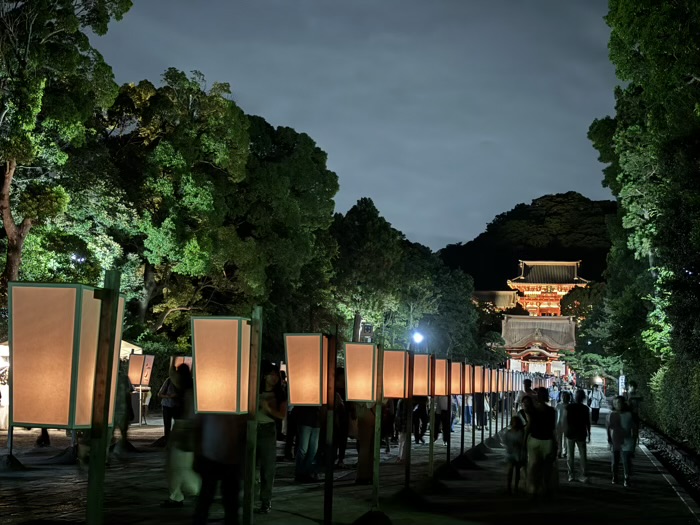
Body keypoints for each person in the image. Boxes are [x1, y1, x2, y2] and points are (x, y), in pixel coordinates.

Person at [192, 413, 247, 525]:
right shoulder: (208, 406)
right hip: (214, 455)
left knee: (227, 497)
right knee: (210, 494)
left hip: (226, 455)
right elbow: (197, 427)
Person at [162, 363, 200, 508]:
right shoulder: (191, 390)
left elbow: (172, 375)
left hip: (183, 429)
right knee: (182, 465)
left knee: (178, 465)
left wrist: (172, 362)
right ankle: (179, 494)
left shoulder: (187, 392)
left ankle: (189, 491)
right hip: (187, 429)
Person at [256, 361, 287, 513]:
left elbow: (281, 415)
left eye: (276, 375)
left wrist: (268, 408)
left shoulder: (280, 394)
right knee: (249, 467)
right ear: (264, 376)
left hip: (267, 430)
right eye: (271, 374)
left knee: (267, 468)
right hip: (251, 429)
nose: (274, 377)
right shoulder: (254, 390)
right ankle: (250, 495)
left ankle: (265, 501)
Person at [526, 388, 557, 496]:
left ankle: (533, 487)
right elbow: (553, 428)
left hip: (534, 439)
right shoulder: (552, 411)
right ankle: (545, 487)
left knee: (534, 466)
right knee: (547, 467)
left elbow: (529, 427)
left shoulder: (533, 410)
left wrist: (524, 440)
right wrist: (555, 443)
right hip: (547, 440)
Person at [607, 396, 637, 487]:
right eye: (615, 403)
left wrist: (634, 443)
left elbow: (634, 429)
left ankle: (626, 478)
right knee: (615, 462)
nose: (617, 405)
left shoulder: (629, 415)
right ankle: (615, 476)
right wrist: (609, 440)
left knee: (626, 461)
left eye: (619, 403)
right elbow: (608, 428)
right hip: (615, 441)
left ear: (623, 403)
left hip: (627, 441)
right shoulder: (611, 414)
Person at [565, 389, 591, 483]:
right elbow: (587, 422)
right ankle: (583, 475)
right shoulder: (585, 408)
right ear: (583, 398)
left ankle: (571, 475)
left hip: (570, 432)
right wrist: (589, 433)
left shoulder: (569, 407)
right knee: (583, 455)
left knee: (570, 456)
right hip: (581, 433)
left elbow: (566, 420)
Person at [295, 405, 321, 483]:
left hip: (315, 422)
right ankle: (301, 473)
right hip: (307, 420)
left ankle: (306, 472)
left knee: (312, 450)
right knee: (304, 449)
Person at [159, 372, 183, 443]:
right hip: (167, 405)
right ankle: (167, 440)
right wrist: (170, 396)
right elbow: (160, 394)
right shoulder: (169, 380)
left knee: (178, 423)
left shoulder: (182, 381)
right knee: (167, 424)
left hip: (177, 405)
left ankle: (175, 440)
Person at [505, 416, 526, 494]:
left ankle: (515, 487)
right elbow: (506, 442)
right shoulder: (509, 432)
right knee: (510, 470)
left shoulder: (521, 432)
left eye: (516, 422)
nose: (514, 423)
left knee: (517, 471)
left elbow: (523, 443)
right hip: (511, 453)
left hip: (518, 454)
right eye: (513, 422)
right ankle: (509, 487)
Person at [555, 391, 571, 458]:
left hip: (567, 424)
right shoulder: (558, 405)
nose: (563, 398)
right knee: (559, 439)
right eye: (562, 397)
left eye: (565, 397)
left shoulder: (569, 406)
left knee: (565, 439)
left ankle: (565, 452)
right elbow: (555, 415)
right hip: (558, 424)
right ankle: (559, 451)